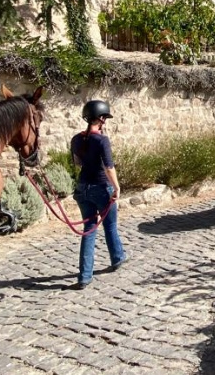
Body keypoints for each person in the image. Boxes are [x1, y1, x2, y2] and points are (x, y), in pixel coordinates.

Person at [70, 100, 127, 289]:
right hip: (101, 187)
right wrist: (117, 187)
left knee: (89, 230)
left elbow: (77, 163)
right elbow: (109, 167)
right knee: (110, 226)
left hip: (82, 187)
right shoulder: (102, 140)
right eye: (105, 118)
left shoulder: (76, 139)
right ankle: (117, 258)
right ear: (101, 118)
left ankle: (85, 276)